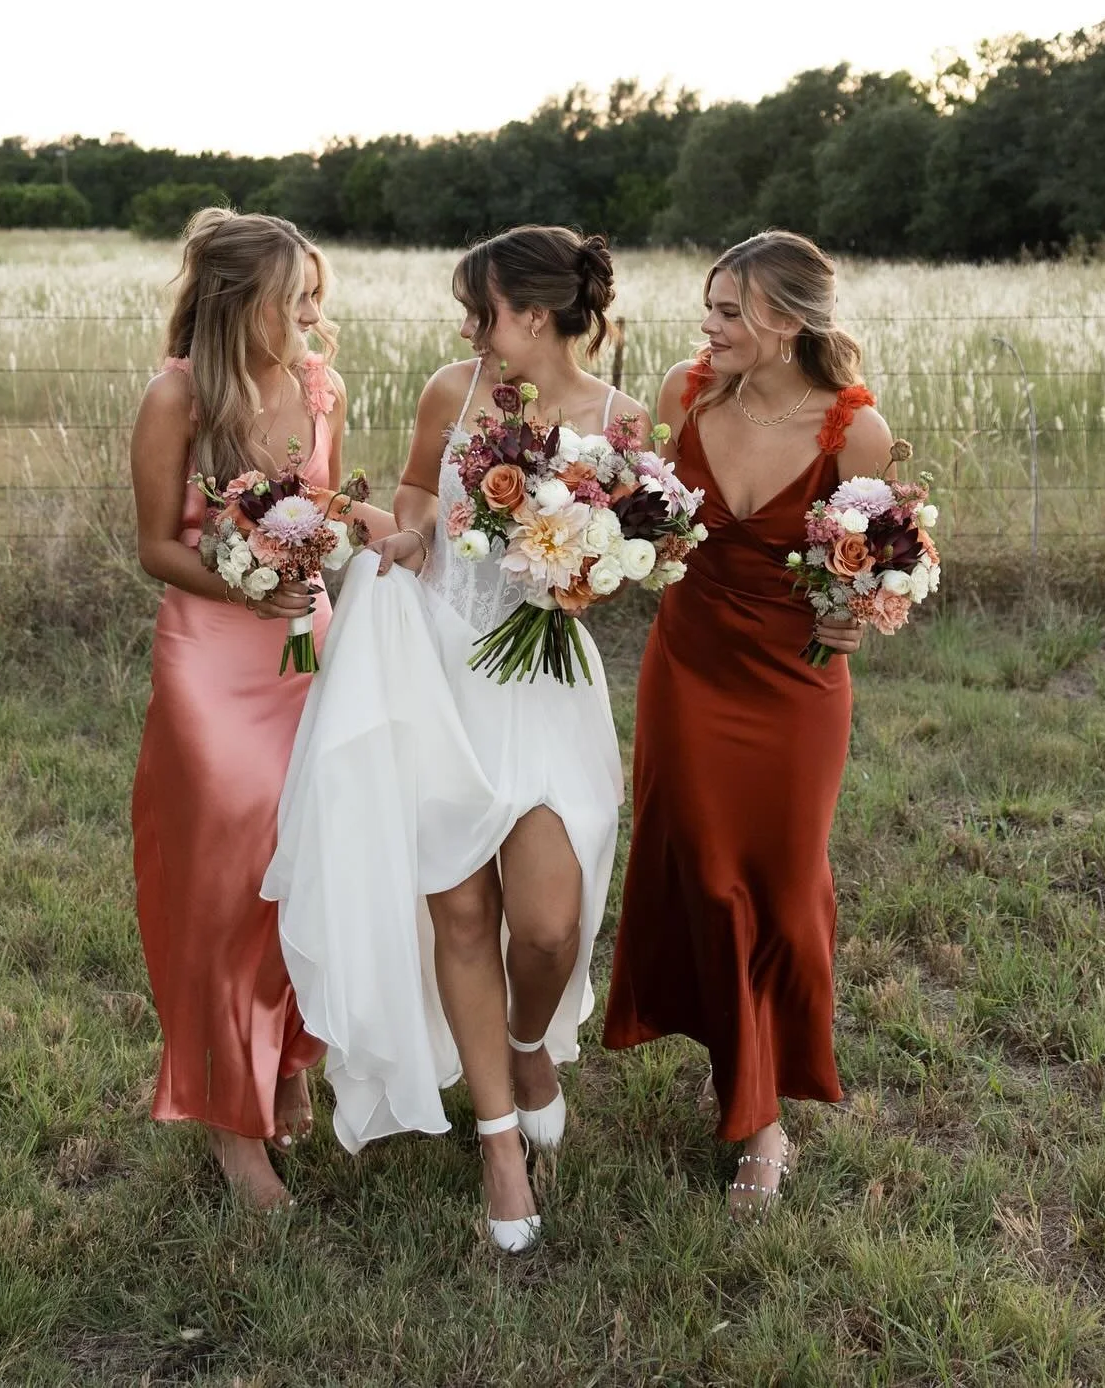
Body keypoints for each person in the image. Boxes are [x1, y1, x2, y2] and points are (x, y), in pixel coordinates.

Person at [265, 226, 647, 1253]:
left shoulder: (620, 422)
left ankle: (528, 1043)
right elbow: (417, 496)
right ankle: (496, 1141)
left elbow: (624, 559)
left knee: (550, 924)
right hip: (437, 670)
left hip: (543, 681)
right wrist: (408, 532)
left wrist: (582, 568)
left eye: (483, 310)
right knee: (464, 912)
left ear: (536, 314)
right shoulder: (452, 388)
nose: (470, 328)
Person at [603, 229, 894, 1217]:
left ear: (789, 320)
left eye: (730, 311)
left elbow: (882, 566)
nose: (709, 325)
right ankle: (749, 1096)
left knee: (780, 880)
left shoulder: (855, 430)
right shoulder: (686, 395)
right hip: (688, 668)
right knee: (703, 870)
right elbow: (642, 520)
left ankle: (764, 1101)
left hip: (794, 685)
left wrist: (855, 613)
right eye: (710, 306)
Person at [129, 207, 385, 1210]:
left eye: (317, 295)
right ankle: (231, 1127)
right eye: (297, 299)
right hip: (210, 656)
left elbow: (324, 509)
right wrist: (245, 584)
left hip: (304, 647)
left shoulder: (323, 386)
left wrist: (385, 529)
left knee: (306, 860)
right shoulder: (177, 397)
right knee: (229, 873)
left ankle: (285, 1058)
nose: (315, 316)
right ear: (242, 303)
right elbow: (157, 545)